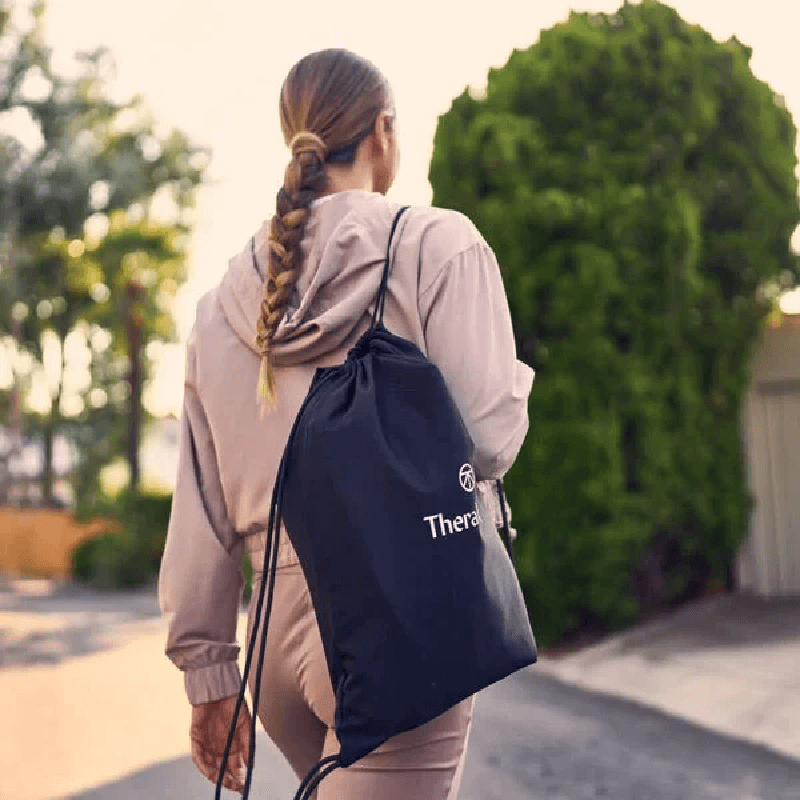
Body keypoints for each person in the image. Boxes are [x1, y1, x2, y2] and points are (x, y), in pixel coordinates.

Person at [158, 48, 534, 799]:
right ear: (382, 131)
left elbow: (199, 506)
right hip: (398, 608)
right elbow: (487, 440)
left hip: (274, 636)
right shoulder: (438, 245)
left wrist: (208, 670)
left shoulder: (216, 311)